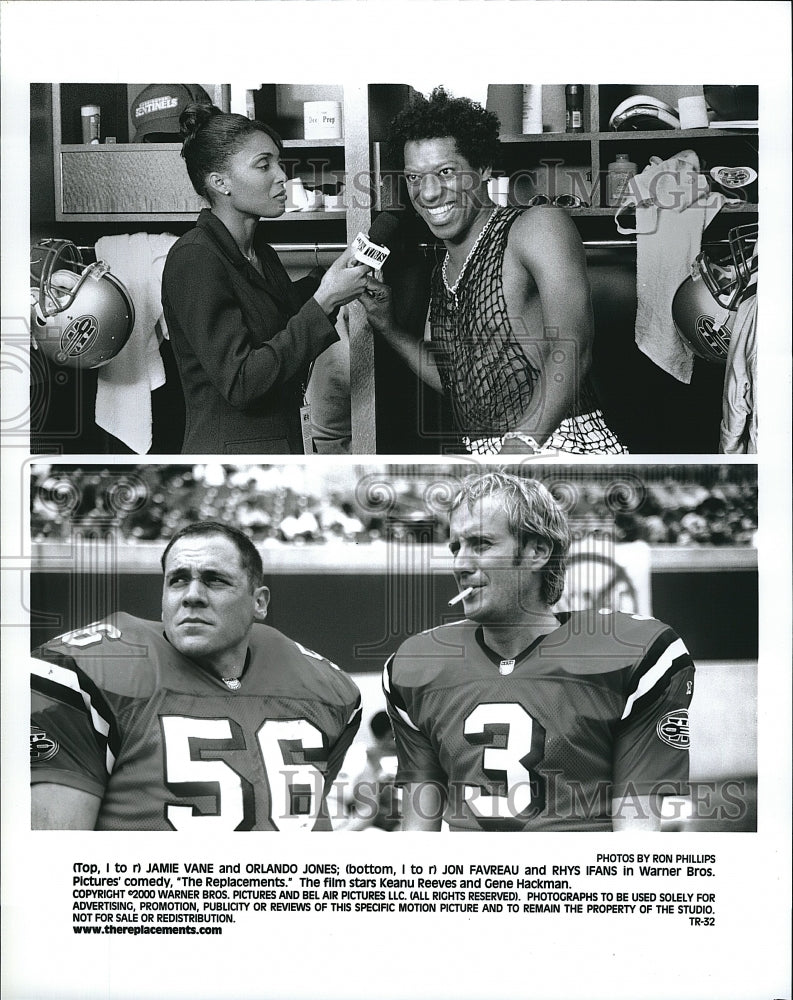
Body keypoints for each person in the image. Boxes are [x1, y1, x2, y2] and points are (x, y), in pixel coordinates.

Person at [383, 471, 694, 831]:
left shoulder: (635, 654)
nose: (460, 564)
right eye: (456, 547)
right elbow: (417, 835)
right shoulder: (419, 665)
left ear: (537, 552)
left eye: (481, 544)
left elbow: (635, 837)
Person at [30, 521, 362, 830]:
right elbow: (53, 865)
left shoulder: (326, 688)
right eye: (177, 580)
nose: (192, 595)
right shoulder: (88, 672)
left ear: (259, 603)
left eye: (214, 580)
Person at [361, 87, 627, 455]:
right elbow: (463, 384)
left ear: (483, 167)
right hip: (494, 456)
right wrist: (389, 328)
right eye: (414, 177)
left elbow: (574, 348)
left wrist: (519, 446)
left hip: (560, 444)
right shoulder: (443, 270)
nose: (429, 192)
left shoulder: (536, 226)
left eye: (445, 171)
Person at [161, 103, 375, 454]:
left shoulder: (263, 254)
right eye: (264, 165)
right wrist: (327, 299)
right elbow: (241, 381)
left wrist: (338, 278)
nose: (281, 176)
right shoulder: (195, 257)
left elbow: (288, 323)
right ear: (220, 182)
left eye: (278, 162)